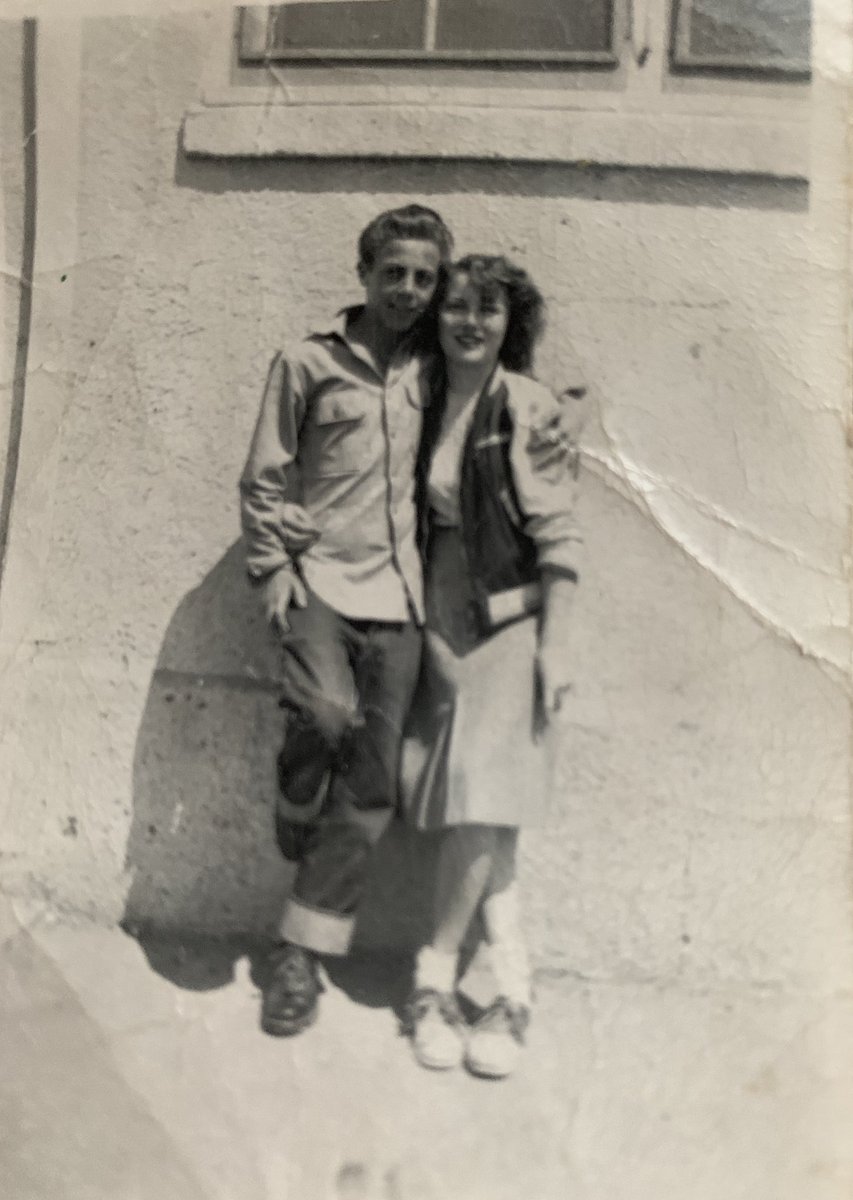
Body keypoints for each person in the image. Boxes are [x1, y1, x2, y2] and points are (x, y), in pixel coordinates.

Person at [239, 204, 453, 1036]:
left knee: (371, 785)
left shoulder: (439, 373)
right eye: (393, 271)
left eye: (424, 278)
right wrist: (270, 568)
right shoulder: (306, 363)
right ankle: (294, 805)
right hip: (320, 583)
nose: (407, 289)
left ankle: (300, 955)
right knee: (324, 716)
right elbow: (263, 480)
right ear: (363, 274)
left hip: (401, 598)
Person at [401, 254, 583, 1079]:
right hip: (438, 622)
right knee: (478, 810)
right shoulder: (420, 395)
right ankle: (512, 991)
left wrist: (556, 643)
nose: (469, 322)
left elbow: (559, 542)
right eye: (456, 307)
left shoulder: (529, 405)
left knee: (476, 804)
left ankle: (432, 979)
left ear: (514, 324)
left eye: (489, 310)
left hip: (508, 628)